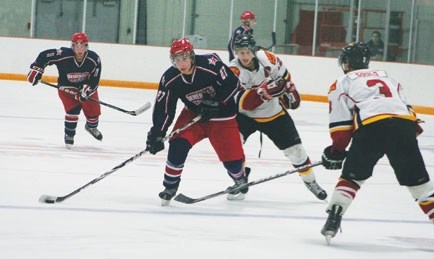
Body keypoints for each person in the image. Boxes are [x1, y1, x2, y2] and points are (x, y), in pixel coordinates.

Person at [321, 42, 434, 244]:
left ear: (345, 63)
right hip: (403, 127)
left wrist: (336, 151)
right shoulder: (388, 77)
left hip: (372, 127)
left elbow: (341, 126)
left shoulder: (342, 82)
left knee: (352, 178)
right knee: (420, 185)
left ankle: (334, 216)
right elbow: (405, 109)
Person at [146, 38, 249, 206]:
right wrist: (158, 131)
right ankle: (170, 187)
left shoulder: (210, 63)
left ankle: (239, 178)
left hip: (222, 116)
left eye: (184, 58)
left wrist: (217, 101)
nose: (181, 63)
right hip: (193, 115)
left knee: (232, 160)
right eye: (177, 59)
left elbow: (232, 83)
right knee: (178, 144)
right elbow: (164, 107)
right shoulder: (170, 78)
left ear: (192, 56)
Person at [228, 34, 327, 201]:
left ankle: (311, 182)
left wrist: (287, 90)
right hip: (245, 116)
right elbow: (242, 104)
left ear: (253, 51)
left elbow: (285, 79)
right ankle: (240, 178)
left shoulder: (268, 58)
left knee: (296, 151)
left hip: (273, 113)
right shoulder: (234, 70)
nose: (243, 56)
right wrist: (262, 92)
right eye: (239, 52)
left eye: (246, 52)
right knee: (233, 146)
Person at [27, 32, 103, 149]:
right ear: (72, 46)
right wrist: (37, 69)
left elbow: (95, 79)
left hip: (86, 87)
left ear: (87, 46)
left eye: (82, 46)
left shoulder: (94, 59)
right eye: (76, 46)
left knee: (93, 114)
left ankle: (91, 127)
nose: (79, 49)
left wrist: (86, 91)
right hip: (67, 88)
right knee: (73, 111)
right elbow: (44, 55)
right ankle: (69, 134)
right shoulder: (63, 54)